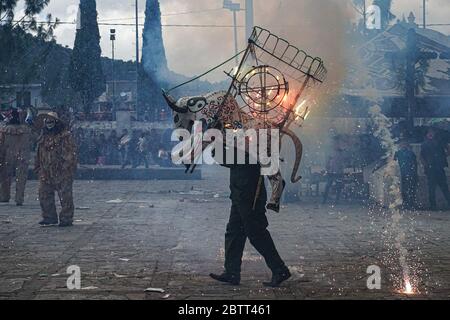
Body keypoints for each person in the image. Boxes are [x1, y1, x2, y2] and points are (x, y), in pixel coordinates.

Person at [210, 151, 291, 287]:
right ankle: (232, 272)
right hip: (239, 195)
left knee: (257, 234)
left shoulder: (251, 152)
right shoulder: (244, 149)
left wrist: (215, 147)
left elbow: (228, 160)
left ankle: (279, 269)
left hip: (250, 198)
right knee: (234, 233)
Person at [35, 112, 78, 227]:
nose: (49, 124)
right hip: (45, 171)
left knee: (65, 195)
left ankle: (66, 218)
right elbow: (38, 153)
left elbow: (70, 153)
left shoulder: (65, 136)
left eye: (51, 121)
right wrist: (38, 166)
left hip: (62, 171)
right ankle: (49, 217)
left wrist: (66, 167)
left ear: (56, 122)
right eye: (47, 121)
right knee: (44, 193)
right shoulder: (43, 136)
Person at [0, 105, 34, 206]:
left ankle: (4, 196)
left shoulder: (4, 130)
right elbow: (34, 139)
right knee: (21, 178)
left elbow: (1, 144)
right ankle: (19, 198)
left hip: (8, 156)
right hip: (23, 156)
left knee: (5, 177)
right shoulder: (27, 130)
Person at [421, 129, 450, 210]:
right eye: (429, 133)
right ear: (427, 135)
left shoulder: (440, 142)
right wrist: (426, 165)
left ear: (434, 134)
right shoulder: (424, 144)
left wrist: (444, 156)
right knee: (431, 188)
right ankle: (433, 206)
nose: (430, 134)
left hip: (439, 168)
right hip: (431, 169)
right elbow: (422, 156)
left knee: (444, 188)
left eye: (432, 132)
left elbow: (448, 149)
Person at [394, 141, 418, 210]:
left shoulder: (410, 153)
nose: (403, 146)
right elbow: (394, 160)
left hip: (410, 174)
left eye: (404, 144)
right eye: (402, 144)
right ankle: (406, 204)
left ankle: (410, 204)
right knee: (404, 190)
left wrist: (415, 173)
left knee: (410, 190)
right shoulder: (398, 153)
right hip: (403, 174)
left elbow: (415, 164)